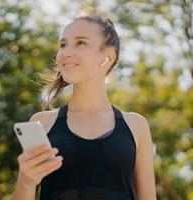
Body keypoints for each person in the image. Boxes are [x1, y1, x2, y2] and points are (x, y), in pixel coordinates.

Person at [11, 10, 156, 200]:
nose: (66, 52)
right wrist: (26, 181)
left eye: (81, 43)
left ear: (108, 57)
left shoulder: (136, 126)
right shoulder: (42, 123)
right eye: (63, 45)